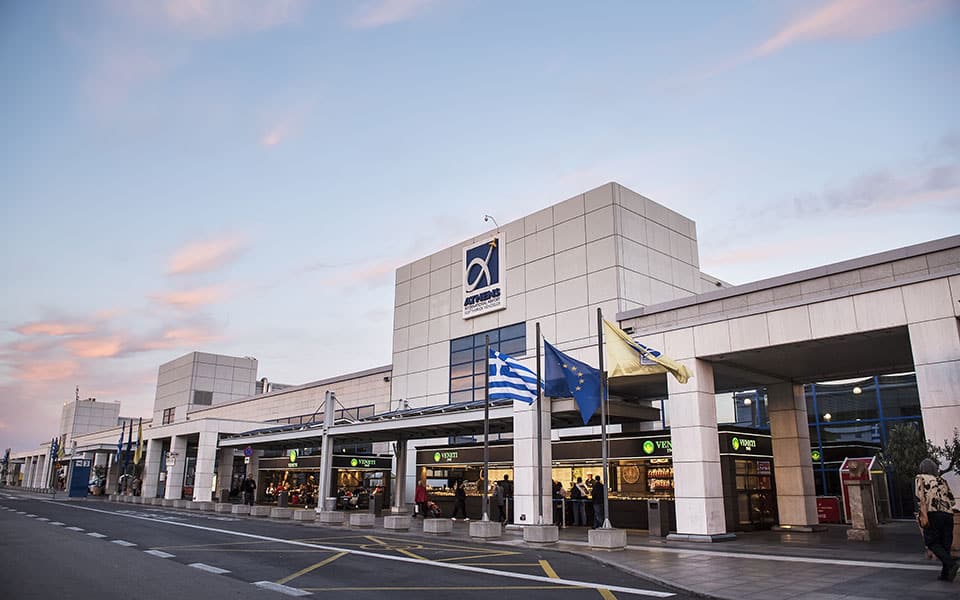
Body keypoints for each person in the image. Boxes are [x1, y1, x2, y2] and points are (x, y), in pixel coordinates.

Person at [915, 458, 958, 581]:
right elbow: (952, 500)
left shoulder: (920, 478)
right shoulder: (942, 480)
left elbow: (919, 497)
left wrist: (922, 513)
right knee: (945, 545)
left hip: (933, 514)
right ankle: (946, 574)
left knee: (931, 542)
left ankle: (951, 564)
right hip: (948, 515)